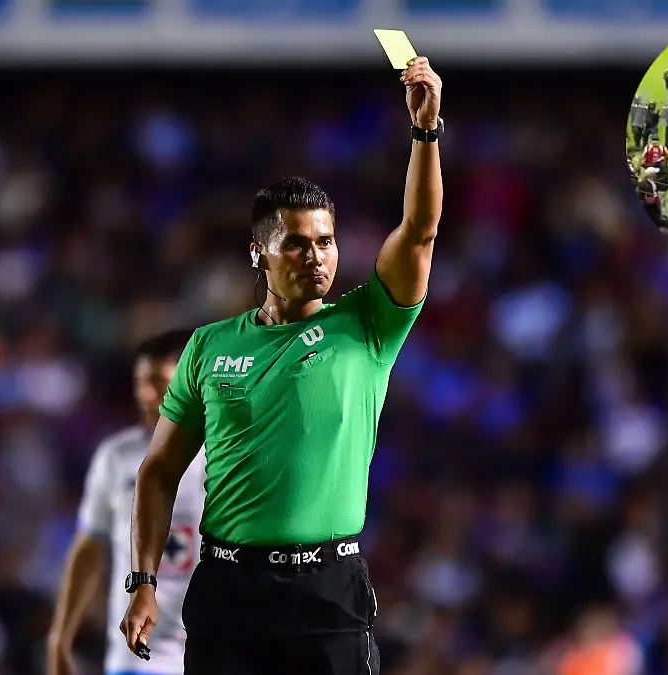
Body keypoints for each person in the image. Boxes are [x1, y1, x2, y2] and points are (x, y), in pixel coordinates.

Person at [119, 56, 444, 675]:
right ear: (259, 253)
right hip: (229, 593)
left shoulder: (367, 324)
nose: (315, 257)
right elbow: (158, 470)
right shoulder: (209, 347)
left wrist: (425, 134)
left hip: (328, 591)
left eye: (325, 242)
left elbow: (420, 231)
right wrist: (143, 581)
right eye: (296, 242)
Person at [48, 330, 204, 675]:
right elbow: (89, 548)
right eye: (140, 384)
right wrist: (60, 638)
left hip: (207, 652)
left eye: (158, 383)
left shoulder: (224, 457)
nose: (146, 395)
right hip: (135, 659)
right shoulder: (117, 457)